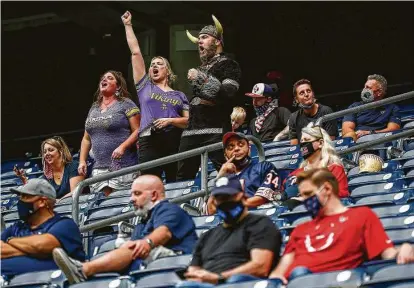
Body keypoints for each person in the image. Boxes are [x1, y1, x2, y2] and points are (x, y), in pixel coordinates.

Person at [269, 168, 414, 284]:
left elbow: (387, 253)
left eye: (308, 194)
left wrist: (404, 248)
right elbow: (281, 270)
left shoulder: (361, 216)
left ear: (326, 189)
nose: (303, 200)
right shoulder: (300, 229)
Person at [52, 175, 198, 285]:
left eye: (137, 194)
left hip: (176, 264)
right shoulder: (143, 221)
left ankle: (82, 270)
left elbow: (164, 232)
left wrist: (147, 242)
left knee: (131, 247)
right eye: (131, 194)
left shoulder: (169, 209)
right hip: (145, 270)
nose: (132, 199)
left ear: (153, 195)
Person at [177, 175, 282, 287]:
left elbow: (261, 267)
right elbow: (193, 271)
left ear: (243, 196)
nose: (224, 202)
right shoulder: (207, 236)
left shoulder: (260, 224)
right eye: (220, 199)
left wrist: (219, 278)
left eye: (229, 197)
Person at [122, 11, 190, 182]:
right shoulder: (145, 86)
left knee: (176, 184)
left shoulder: (180, 95)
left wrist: (170, 121)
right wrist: (128, 26)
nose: (154, 66)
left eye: (159, 64)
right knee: (150, 184)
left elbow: (188, 121)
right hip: (149, 140)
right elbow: (136, 53)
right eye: (152, 64)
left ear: (168, 70)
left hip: (174, 141)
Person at [177, 15, 242, 181]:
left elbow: (228, 93)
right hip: (191, 130)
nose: (199, 42)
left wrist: (201, 78)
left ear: (218, 41)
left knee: (227, 171)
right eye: (198, 39)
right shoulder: (201, 67)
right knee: (183, 177)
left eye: (205, 37)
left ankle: (233, 204)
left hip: (216, 129)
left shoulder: (229, 64)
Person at [1, 179, 85, 279]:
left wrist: (10, 240)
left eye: (25, 196)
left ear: (41, 202)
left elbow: (40, 246)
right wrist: (36, 253)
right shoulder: (17, 227)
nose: (20, 201)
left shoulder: (65, 225)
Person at [78, 70, 140, 196]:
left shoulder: (126, 103)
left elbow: (138, 130)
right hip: (99, 168)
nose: (104, 80)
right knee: (103, 208)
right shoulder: (94, 107)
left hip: (123, 165)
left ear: (117, 86)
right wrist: (82, 161)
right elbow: (86, 138)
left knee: (122, 204)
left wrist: (123, 147)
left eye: (109, 78)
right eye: (103, 78)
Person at [207, 132, 281, 214]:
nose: (236, 149)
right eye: (231, 147)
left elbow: (262, 198)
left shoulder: (264, 167)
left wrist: (231, 207)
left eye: (241, 144)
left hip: (258, 216)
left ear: (249, 149)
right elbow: (211, 210)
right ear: (225, 155)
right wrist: (220, 176)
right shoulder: (224, 179)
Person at [281, 125, 349, 210]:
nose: (303, 144)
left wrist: (306, 198)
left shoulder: (334, 169)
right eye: (301, 141)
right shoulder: (296, 173)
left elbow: (342, 195)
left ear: (320, 143)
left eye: (307, 140)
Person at [14, 136, 84, 200]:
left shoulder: (73, 166)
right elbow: (36, 193)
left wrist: (57, 202)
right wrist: (23, 178)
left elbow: (75, 193)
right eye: (44, 152)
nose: (47, 154)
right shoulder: (48, 174)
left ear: (61, 151)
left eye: (51, 150)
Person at [342, 74, 401, 141]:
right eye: (364, 87)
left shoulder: (392, 108)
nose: (364, 90)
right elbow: (346, 129)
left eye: (368, 88)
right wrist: (354, 137)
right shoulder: (354, 106)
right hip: (358, 140)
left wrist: (370, 133)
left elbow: (393, 129)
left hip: (381, 140)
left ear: (379, 92)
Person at [289, 79, 338, 145]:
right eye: (302, 93)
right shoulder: (294, 117)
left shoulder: (326, 111)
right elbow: (294, 146)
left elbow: (330, 142)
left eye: (308, 91)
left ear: (313, 94)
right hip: (304, 154)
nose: (306, 94)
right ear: (296, 99)